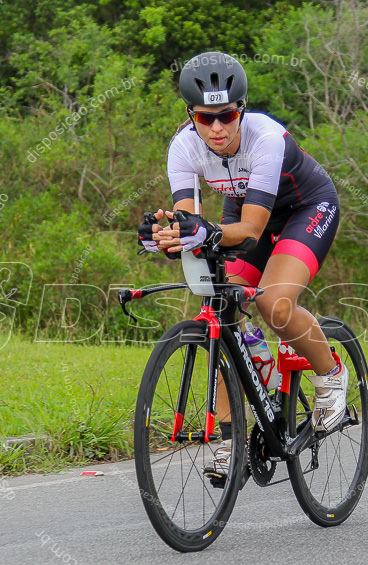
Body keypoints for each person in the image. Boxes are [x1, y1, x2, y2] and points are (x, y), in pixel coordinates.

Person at [139, 51, 346, 484]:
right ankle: (231, 438)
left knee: (274, 304)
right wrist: (168, 236)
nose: (216, 128)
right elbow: (185, 217)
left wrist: (199, 230)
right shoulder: (183, 146)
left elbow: (251, 229)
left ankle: (331, 375)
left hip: (304, 208)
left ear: (241, 110)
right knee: (218, 308)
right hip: (245, 207)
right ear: (190, 115)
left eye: (227, 115)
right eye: (204, 118)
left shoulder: (266, 138)